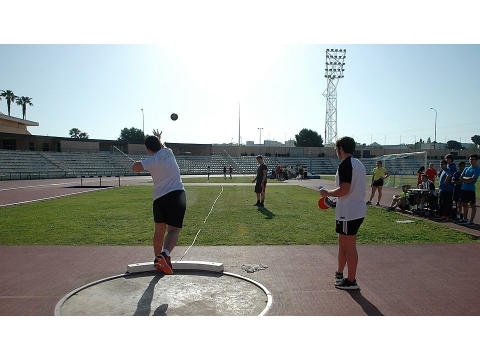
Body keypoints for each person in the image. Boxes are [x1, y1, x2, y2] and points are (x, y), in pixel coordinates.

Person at [131, 130, 186, 275]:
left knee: (159, 231)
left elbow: (135, 167)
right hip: (177, 194)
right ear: (160, 144)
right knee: (173, 230)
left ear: (148, 149)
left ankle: (158, 260)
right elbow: (161, 146)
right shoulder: (169, 151)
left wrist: (138, 163)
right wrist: (159, 139)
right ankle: (165, 254)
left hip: (159, 199)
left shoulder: (151, 160)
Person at [319, 136, 366, 291]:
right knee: (343, 244)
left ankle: (351, 280)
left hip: (348, 211)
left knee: (349, 246)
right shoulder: (358, 164)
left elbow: (344, 189)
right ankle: (340, 272)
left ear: (341, 149)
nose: (337, 152)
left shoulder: (346, 164)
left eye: (336, 149)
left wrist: (327, 193)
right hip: (354, 209)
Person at [459, 154, 480, 227]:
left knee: (472, 205)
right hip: (463, 188)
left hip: (470, 189)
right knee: (464, 204)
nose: (471, 161)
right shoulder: (466, 168)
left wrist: (465, 179)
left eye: (473, 159)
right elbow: (460, 178)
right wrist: (466, 179)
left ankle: (471, 220)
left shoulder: (477, 169)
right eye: (470, 159)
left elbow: (472, 179)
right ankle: (465, 219)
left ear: (476, 160)